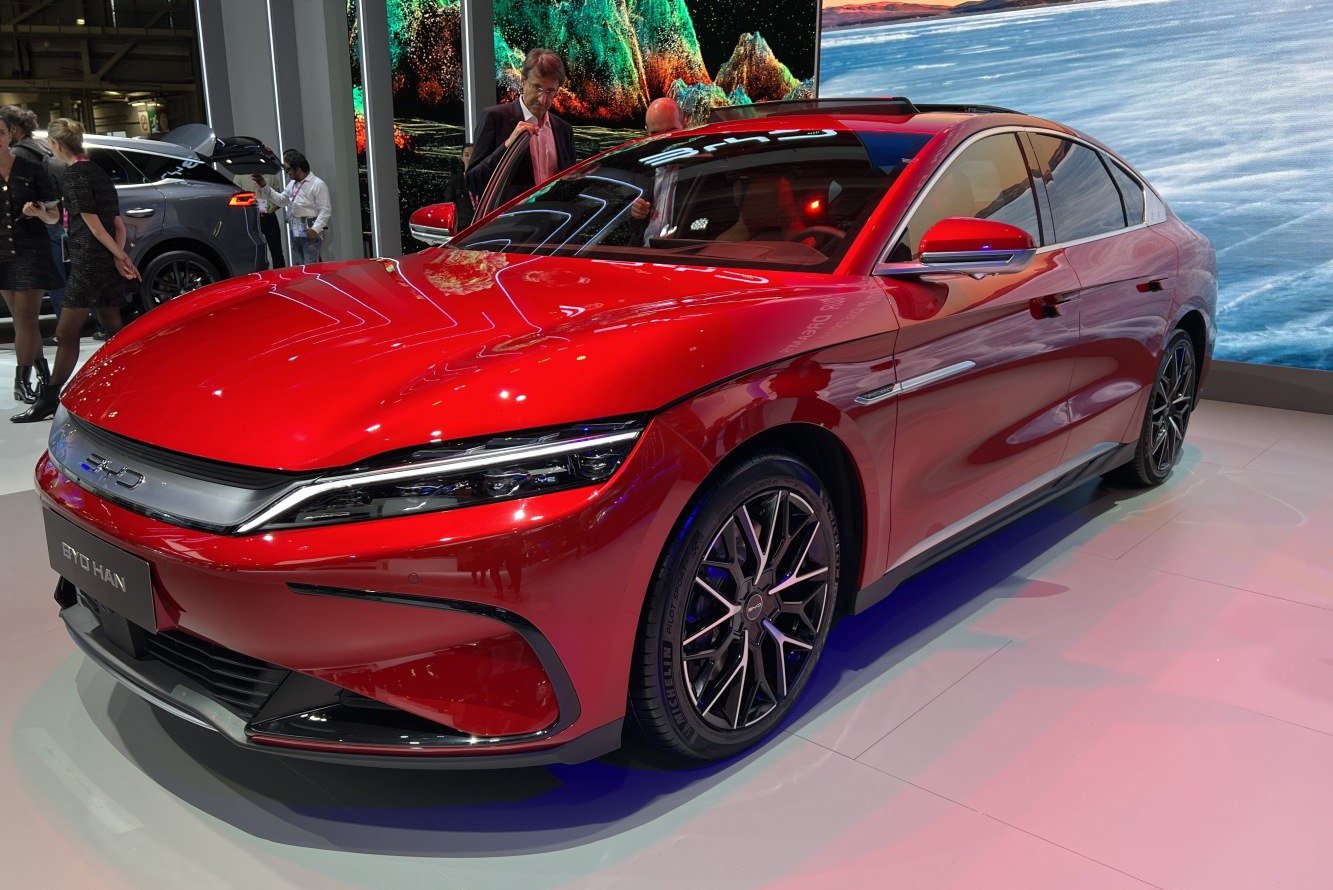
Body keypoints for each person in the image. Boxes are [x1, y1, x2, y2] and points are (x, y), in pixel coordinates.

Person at [14, 118, 140, 423]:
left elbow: (95, 227)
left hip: (89, 262)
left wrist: (120, 256)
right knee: (113, 328)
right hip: (102, 259)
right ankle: (131, 387)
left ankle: (49, 399)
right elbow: (117, 224)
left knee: (66, 332)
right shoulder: (97, 171)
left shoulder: (74, 175)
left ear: (57, 145)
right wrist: (118, 256)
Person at [0, 108, 64, 405]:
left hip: (31, 251)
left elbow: (54, 216)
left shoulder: (31, 168)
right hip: (2, 254)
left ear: (8, 135)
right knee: (23, 322)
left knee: (25, 319)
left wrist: (39, 213)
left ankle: (20, 382)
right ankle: (43, 373)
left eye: (1, 133)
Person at [466, 49, 576, 206]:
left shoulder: (564, 129)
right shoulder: (494, 118)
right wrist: (508, 145)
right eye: (537, 87)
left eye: (550, 91)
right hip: (511, 220)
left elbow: (569, 187)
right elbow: (473, 182)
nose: (542, 99)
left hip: (553, 218)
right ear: (523, 81)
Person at [251, 149, 330, 265]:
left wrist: (315, 229)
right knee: (300, 266)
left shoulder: (318, 184)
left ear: (298, 169)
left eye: (288, 169)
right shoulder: (292, 184)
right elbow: (281, 200)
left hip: (311, 229)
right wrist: (264, 186)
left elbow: (325, 210)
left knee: (310, 266)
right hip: (296, 229)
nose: (287, 173)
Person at [630, 97, 685, 227]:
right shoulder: (639, 168)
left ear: (685, 125)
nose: (663, 139)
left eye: (671, 131)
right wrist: (635, 213)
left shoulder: (703, 166)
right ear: (647, 131)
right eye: (655, 134)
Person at [238, 172, 284, 268]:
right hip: (250, 218)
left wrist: (272, 209)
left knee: (277, 251)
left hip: (269, 216)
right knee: (252, 252)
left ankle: (280, 275)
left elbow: (279, 199)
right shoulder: (240, 176)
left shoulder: (272, 176)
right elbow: (237, 198)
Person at [447, 142, 475, 230]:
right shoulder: (455, 181)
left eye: (473, 155)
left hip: (484, 225)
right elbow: (449, 207)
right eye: (467, 155)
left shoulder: (485, 179)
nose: (470, 158)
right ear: (462, 157)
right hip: (463, 229)